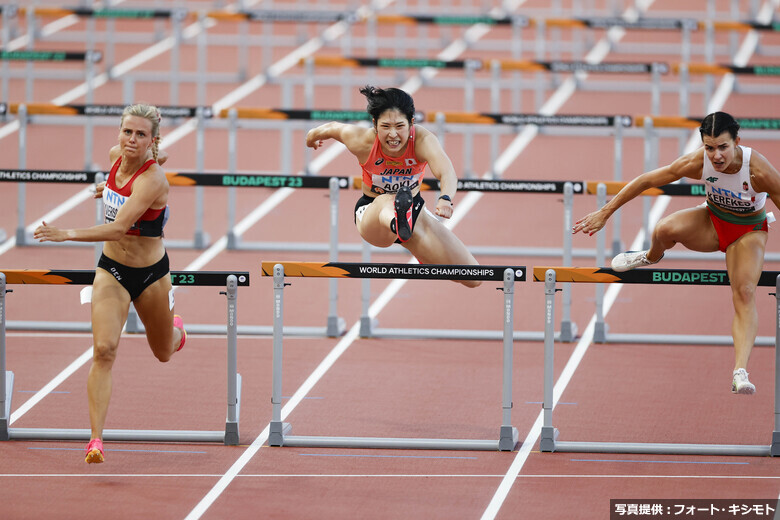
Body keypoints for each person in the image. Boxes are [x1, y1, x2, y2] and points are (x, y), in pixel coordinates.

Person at [572, 111, 780, 395]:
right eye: (709, 147)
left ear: (737, 142)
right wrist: (605, 212)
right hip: (712, 221)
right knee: (663, 229)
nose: (716, 156)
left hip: (748, 231)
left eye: (723, 147)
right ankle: (650, 256)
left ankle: (739, 372)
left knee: (744, 291)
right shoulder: (698, 162)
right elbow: (646, 180)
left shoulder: (760, 171)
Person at [33, 103, 186, 463]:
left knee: (163, 352)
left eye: (140, 135)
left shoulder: (153, 180)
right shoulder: (116, 156)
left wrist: (65, 233)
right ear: (119, 133)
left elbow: (119, 226)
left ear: (152, 140)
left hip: (151, 275)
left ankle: (178, 331)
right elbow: (120, 212)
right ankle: (95, 440)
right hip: (112, 269)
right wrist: (110, 190)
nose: (131, 140)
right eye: (127, 132)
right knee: (104, 350)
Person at [305, 85, 480, 288]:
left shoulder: (423, 140)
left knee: (473, 276)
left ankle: (407, 226)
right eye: (386, 127)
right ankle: (398, 222)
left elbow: (446, 172)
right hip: (373, 213)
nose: (393, 135)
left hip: (414, 212)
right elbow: (330, 128)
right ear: (375, 125)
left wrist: (445, 198)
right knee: (389, 199)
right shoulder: (362, 140)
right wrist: (311, 138)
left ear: (411, 123)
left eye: (399, 126)